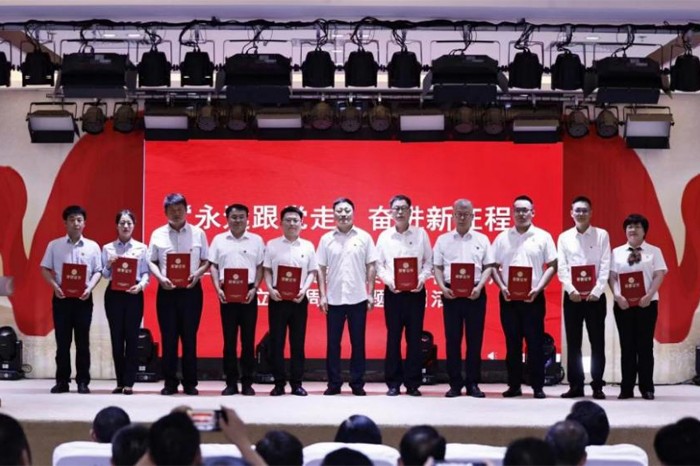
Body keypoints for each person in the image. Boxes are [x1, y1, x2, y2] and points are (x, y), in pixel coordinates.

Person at [491, 195, 557, 399]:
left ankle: (537, 386)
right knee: (512, 344)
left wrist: (538, 288)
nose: (521, 214)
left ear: (532, 212)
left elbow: (552, 265)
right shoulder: (502, 237)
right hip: (509, 298)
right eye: (517, 210)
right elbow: (493, 266)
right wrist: (502, 287)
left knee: (535, 343)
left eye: (525, 210)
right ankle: (514, 385)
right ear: (512, 213)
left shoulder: (543, 236)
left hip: (533, 298)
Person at [147, 193, 210, 396]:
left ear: (186, 210)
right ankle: (170, 383)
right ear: (165, 212)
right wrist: (160, 278)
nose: (176, 213)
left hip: (191, 291)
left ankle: (190, 383)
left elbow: (206, 260)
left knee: (189, 338)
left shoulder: (198, 233)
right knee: (169, 338)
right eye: (172, 210)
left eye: (180, 209)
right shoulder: (157, 234)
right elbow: (151, 261)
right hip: (167, 291)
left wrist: (197, 274)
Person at [317, 197, 378, 396]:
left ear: (353, 213)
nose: (343, 214)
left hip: (357, 298)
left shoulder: (364, 237)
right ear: (333, 214)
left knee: (358, 343)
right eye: (339, 211)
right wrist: (322, 295)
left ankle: (357, 384)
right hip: (334, 299)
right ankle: (334, 383)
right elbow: (321, 268)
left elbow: (371, 266)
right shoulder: (326, 239)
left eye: (347, 211)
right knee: (333, 344)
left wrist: (370, 293)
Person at [433, 198, 493, 398]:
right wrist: (442, 287)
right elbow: (437, 267)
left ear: (473, 216)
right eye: (458, 213)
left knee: (475, 341)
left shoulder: (482, 239)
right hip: (451, 294)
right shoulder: (443, 240)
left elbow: (488, 266)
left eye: (466, 214)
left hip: (475, 293)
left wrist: (480, 287)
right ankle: (455, 384)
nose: (462, 217)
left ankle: (473, 383)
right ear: (452, 215)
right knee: (452, 340)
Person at [40, 205, 102, 394]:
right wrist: (55, 287)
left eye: (79, 220)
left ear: (84, 223)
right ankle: (62, 381)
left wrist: (89, 288)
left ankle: (83, 381)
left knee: (83, 342)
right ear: (65, 223)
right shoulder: (54, 245)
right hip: (62, 298)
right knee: (62, 342)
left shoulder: (93, 246)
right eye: (72, 219)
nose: (76, 223)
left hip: (84, 299)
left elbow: (98, 271)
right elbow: (44, 268)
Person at [376, 194, 432, 397]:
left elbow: (429, 262)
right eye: (396, 208)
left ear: (410, 211)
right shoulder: (384, 237)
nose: (400, 212)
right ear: (390, 212)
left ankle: (413, 383)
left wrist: (421, 279)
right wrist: (389, 282)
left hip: (415, 293)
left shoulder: (421, 234)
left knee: (414, 338)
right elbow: (378, 265)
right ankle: (393, 383)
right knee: (393, 338)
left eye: (403, 208)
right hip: (393, 293)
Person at [557, 196, 611, 400]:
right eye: (577, 210)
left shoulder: (601, 235)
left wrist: (597, 290)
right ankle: (576, 385)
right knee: (573, 343)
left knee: (597, 342)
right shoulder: (564, 237)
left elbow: (605, 263)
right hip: (572, 297)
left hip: (595, 298)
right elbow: (562, 267)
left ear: (591, 213)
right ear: (571, 213)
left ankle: (597, 385)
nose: (581, 214)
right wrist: (570, 289)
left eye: (584, 210)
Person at [609, 213, 667, 400]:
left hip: (647, 304)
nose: (633, 230)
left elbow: (659, 274)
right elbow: (612, 276)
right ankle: (626, 388)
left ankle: (647, 387)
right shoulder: (617, 252)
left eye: (637, 227)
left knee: (645, 346)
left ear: (644, 231)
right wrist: (617, 295)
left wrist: (649, 295)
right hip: (623, 305)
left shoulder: (654, 251)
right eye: (629, 227)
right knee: (627, 346)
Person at [208, 203, 264, 396]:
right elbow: (213, 266)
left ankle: (248, 382)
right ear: (227, 219)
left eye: (241, 217)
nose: (238, 220)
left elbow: (260, 266)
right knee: (229, 340)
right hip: (227, 293)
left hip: (249, 292)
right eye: (234, 217)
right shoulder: (219, 240)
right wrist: (218, 289)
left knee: (248, 341)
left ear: (247, 219)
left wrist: (255, 288)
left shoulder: (256, 240)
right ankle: (231, 382)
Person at [264, 206, 318, 397]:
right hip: (277, 299)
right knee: (277, 342)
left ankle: (297, 384)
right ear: (281, 223)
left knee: (297, 343)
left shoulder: (308, 246)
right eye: (288, 220)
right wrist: (270, 289)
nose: (292, 223)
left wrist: (304, 290)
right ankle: (279, 383)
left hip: (299, 300)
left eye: (296, 220)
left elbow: (312, 271)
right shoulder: (272, 245)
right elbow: (267, 270)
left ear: (302, 224)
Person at [102, 209, 150, 395]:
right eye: (122, 223)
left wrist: (141, 286)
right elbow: (105, 274)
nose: (126, 226)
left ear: (134, 226)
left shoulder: (141, 248)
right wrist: (108, 264)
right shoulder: (108, 248)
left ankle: (129, 382)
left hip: (133, 294)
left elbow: (145, 273)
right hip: (114, 294)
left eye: (129, 223)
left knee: (132, 338)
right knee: (116, 338)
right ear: (117, 225)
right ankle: (119, 382)